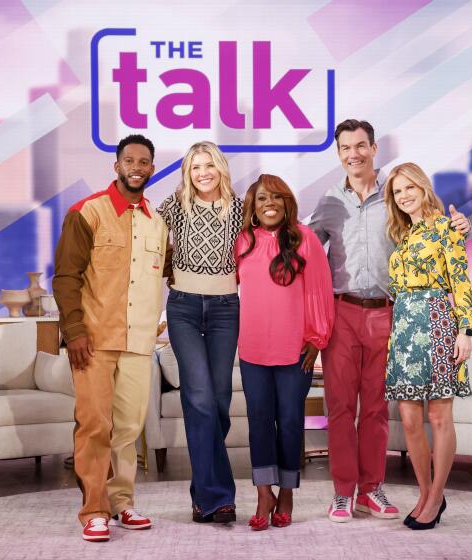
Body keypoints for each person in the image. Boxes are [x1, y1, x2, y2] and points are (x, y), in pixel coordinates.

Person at [309, 119, 471, 523]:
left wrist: (463, 225)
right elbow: (307, 252)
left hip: (391, 314)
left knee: (378, 408)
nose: (353, 154)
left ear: (373, 148)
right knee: (341, 407)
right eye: (345, 148)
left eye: (360, 145)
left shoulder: (397, 193)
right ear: (338, 153)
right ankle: (343, 492)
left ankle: (372, 489)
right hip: (342, 312)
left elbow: (437, 237)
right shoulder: (329, 201)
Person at [53, 134, 168, 543]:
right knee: (95, 424)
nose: (137, 167)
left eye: (144, 162)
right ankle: (94, 510)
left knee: (129, 427)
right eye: (129, 161)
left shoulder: (157, 223)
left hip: (139, 342)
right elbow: (66, 278)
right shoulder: (87, 213)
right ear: (116, 167)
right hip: (94, 341)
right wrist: (75, 332)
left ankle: (122, 502)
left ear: (152, 169)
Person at [383, 162, 472, 530]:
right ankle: (425, 494)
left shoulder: (446, 227)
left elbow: (462, 282)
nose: (404, 195)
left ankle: (437, 494)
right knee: (409, 420)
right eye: (397, 191)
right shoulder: (402, 234)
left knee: (439, 416)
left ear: (424, 188)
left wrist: (465, 332)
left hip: (439, 321)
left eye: (410, 187)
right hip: (405, 326)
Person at [235, 174, 334, 530]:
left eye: (275, 197)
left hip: (295, 350)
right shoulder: (243, 241)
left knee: (291, 421)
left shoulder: (304, 238)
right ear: (253, 206)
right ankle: (264, 493)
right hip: (252, 350)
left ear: (287, 201)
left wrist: (316, 338)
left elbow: (320, 292)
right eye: (261, 199)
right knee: (259, 422)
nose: (269, 204)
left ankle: (287, 492)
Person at [156, 141, 243, 523]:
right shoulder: (177, 205)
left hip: (226, 310)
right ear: (187, 174)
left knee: (220, 402)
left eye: (209, 165)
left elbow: (281, 233)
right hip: (184, 308)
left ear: (221, 168)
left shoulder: (240, 209)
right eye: (195, 167)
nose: (203, 173)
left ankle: (202, 490)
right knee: (200, 399)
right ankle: (217, 497)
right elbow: (143, 233)